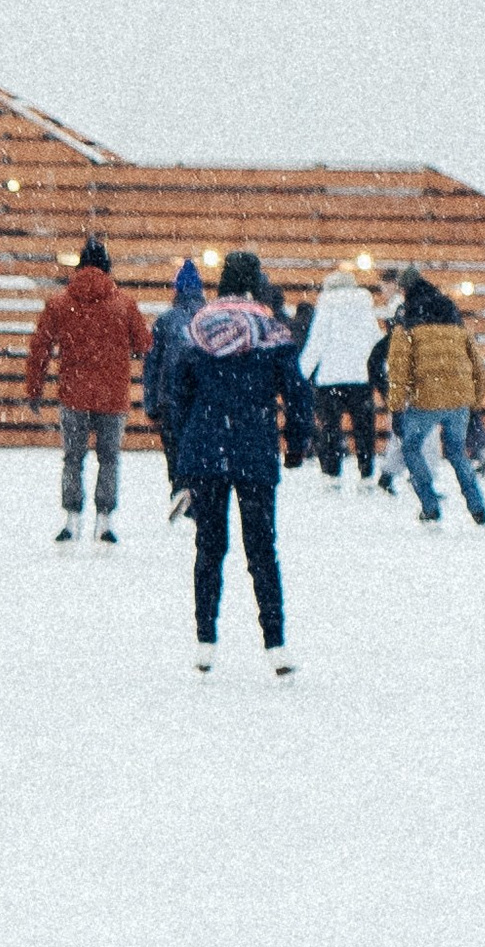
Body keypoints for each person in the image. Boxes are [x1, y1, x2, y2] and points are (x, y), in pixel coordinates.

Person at [166, 250, 306, 675]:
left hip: (205, 450)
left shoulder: (197, 328)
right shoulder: (272, 329)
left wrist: (181, 461)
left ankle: (205, 640)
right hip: (255, 448)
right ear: (256, 283)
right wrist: (296, 443)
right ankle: (275, 644)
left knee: (209, 549)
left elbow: (177, 398)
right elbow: (297, 393)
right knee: (262, 549)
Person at [23, 239, 150, 545]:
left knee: (72, 459)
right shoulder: (124, 303)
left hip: (74, 393)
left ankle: (72, 518)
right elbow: (144, 345)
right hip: (112, 394)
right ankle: (104, 521)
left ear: (80, 265)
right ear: (108, 267)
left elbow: (40, 348)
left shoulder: (59, 303)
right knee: (109, 459)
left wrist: (35, 388)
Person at [386, 273, 485, 524]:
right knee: (457, 452)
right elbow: (477, 361)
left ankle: (430, 505)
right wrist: (475, 398)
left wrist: (397, 408)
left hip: (426, 398)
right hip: (458, 398)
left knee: (411, 448)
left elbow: (398, 368)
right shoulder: (453, 318)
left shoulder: (406, 319)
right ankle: (477, 507)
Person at [298, 264, 381, 483]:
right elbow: (375, 341)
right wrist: (382, 369)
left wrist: (300, 374)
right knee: (363, 428)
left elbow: (316, 342)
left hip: (330, 378)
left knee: (330, 428)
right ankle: (366, 469)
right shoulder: (365, 307)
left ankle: (332, 470)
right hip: (360, 376)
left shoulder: (326, 306)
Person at [142, 257, 206, 503]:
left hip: (169, 396)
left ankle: (179, 486)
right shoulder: (208, 317)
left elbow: (152, 364)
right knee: (198, 444)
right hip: (201, 397)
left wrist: (151, 402)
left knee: (174, 445)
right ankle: (197, 488)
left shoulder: (166, 320)